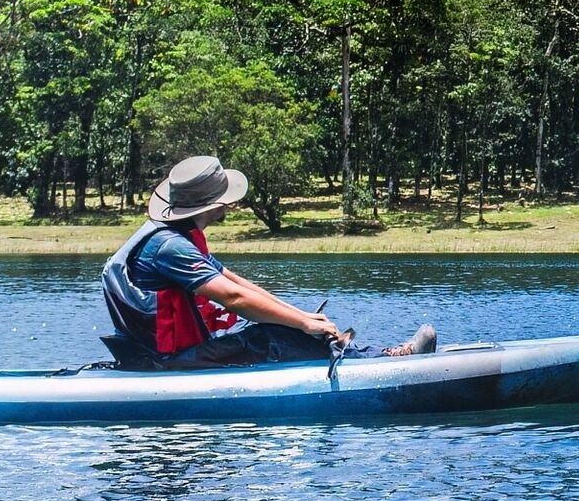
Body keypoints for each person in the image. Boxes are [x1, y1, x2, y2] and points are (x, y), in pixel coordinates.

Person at [99, 155, 435, 370]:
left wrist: (302, 317)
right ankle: (382, 362)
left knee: (282, 328)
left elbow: (239, 284)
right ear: (215, 204)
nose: (230, 206)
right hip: (166, 362)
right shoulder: (169, 247)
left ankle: (365, 353)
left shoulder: (173, 236)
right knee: (269, 338)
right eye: (226, 201)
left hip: (168, 354)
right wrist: (301, 326)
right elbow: (234, 299)